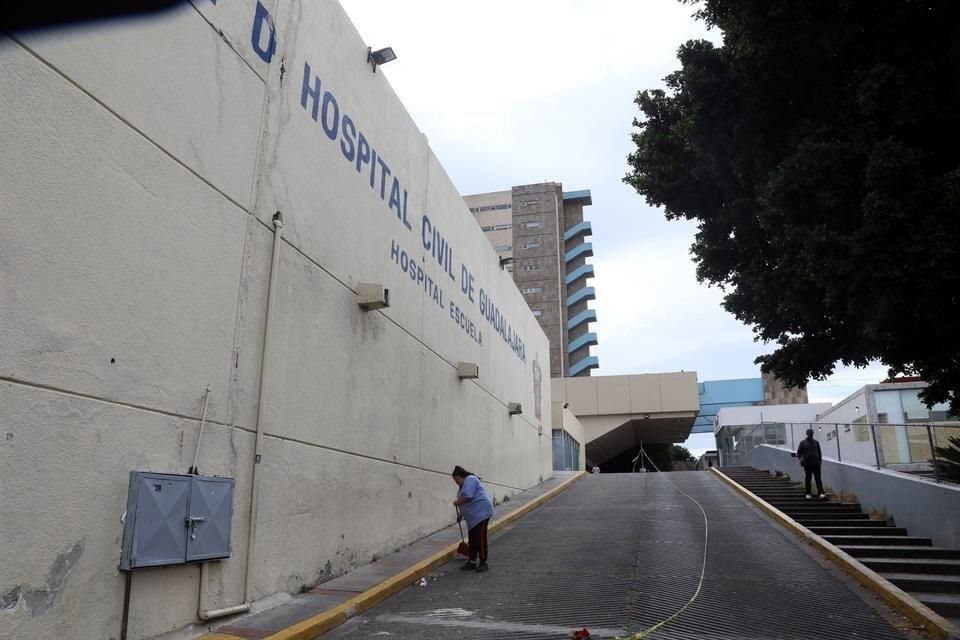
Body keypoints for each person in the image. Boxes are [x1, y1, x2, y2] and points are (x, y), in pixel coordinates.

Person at [452, 465, 494, 573]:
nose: (456, 483)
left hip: (482, 513)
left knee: (480, 537)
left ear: (460, 476)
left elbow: (468, 496)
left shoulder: (470, 479)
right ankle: (472, 561)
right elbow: (464, 502)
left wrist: (457, 502)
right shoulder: (462, 488)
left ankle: (483, 562)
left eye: (457, 480)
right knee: (472, 538)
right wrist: (461, 515)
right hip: (473, 517)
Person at [797, 428, 826, 499]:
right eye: (809, 434)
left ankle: (821, 492)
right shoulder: (802, 443)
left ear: (813, 434)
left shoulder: (816, 442)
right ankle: (808, 493)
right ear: (807, 434)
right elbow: (799, 452)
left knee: (818, 478)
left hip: (816, 464)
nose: (810, 435)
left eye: (811, 434)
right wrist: (801, 459)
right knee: (808, 478)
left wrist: (819, 462)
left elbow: (819, 454)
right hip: (807, 464)